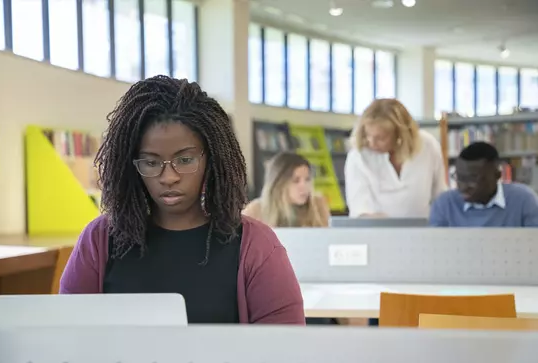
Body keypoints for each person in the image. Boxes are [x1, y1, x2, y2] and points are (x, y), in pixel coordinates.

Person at [60, 76, 305, 325]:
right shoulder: (99, 240)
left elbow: (286, 353)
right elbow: (68, 342)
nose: (168, 177)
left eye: (185, 160)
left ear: (212, 159)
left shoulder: (256, 246)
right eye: (151, 162)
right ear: (130, 166)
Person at [345, 98, 447, 218]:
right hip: (377, 233)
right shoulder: (358, 156)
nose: (372, 143)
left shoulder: (428, 145)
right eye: (368, 135)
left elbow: (440, 195)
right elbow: (358, 208)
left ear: (400, 134)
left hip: (425, 231)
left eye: (380, 138)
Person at [429, 142, 538, 227]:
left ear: (497, 175)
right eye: (459, 177)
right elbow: (435, 250)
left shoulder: (524, 200)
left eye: (472, 178)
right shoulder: (445, 204)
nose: (463, 186)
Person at [243, 152, 330, 227]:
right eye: (296, 181)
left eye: (307, 179)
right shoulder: (255, 210)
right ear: (279, 184)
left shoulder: (317, 204)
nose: (304, 186)